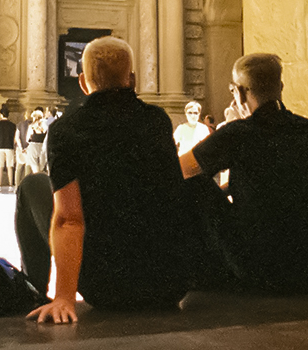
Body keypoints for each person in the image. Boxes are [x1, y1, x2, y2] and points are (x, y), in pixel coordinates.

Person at [19, 37, 196, 323]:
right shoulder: (158, 120)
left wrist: (65, 296)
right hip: (169, 285)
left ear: (83, 83)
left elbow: (69, 218)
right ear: (133, 80)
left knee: (31, 185)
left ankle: (33, 290)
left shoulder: (66, 130)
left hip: (105, 287)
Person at [180, 53, 308, 294]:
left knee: (193, 186)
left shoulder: (238, 134)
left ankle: (200, 273)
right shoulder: (307, 129)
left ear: (238, 93)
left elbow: (181, 170)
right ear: (280, 87)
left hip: (264, 269)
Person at [0, 105, 18, 193]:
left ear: (1, 114)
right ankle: (10, 185)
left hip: (0, 147)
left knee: (0, 167)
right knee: (10, 167)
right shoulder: (13, 125)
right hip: (9, 147)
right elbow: (15, 138)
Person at [20, 108, 49, 179]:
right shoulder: (45, 126)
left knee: (34, 166)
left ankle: (37, 180)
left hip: (33, 146)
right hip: (42, 147)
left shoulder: (31, 126)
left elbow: (27, 139)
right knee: (42, 166)